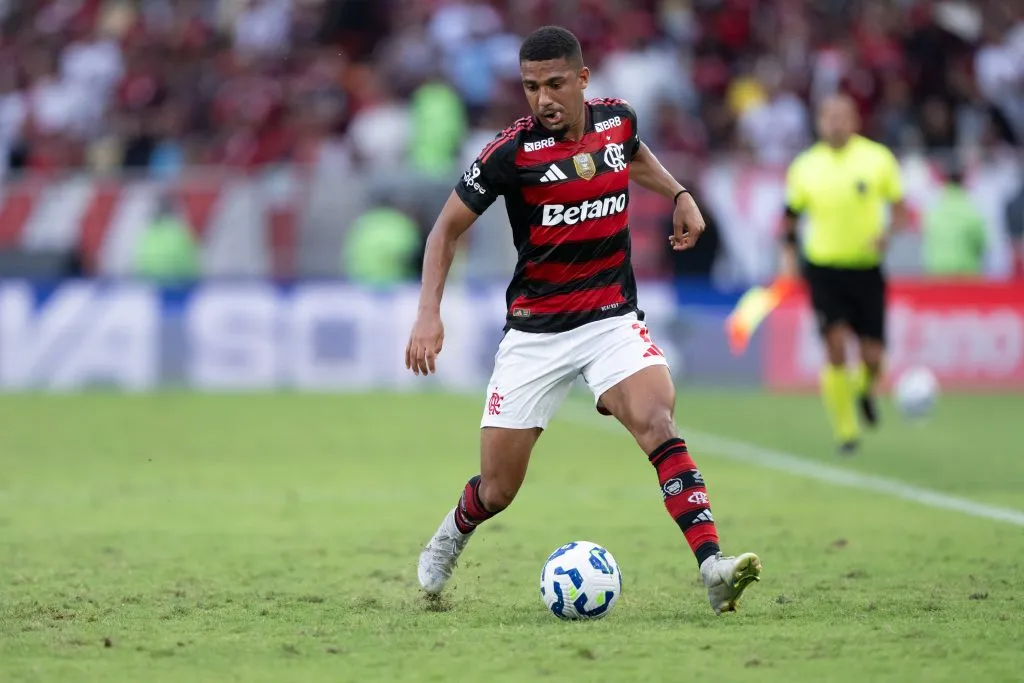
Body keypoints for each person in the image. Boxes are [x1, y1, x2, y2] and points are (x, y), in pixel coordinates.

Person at [405, 26, 761, 616]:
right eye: (530, 87)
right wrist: (427, 314)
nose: (542, 98)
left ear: (583, 80)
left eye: (554, 84)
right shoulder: (509, 153)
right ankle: (453, 530)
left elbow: (634, 155)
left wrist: (679, 194)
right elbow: (445, 229)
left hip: (610, 319)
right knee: (498, 489)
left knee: (657, 420)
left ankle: (712, 567)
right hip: (535, 333)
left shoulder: (618, 120)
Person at [780, 94, 908, 455]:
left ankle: (865, 390)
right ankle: (846, 432)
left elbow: (900, 211)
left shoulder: (878, 159)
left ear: (855, 121)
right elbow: (790, 218)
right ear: (820, 122)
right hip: (823, 269)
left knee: (872, 356)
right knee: (835, 346)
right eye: (829, 116)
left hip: (866, 270)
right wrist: (789, 257)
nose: (835, 122)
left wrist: (889, 232)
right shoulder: (805, 166)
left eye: (842, 116)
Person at [922, 162, 987, 278]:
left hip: (937, 272)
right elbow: (981, 243)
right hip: (966, 272)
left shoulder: (934, 209)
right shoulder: (972, 211)